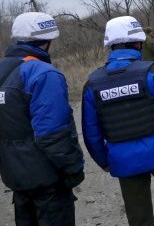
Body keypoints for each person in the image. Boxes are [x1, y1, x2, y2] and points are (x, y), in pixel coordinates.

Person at [81, 16, 154, 226]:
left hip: (124, 160)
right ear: (138, 43)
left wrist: (104, 161)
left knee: (138, 214)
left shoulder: (92, 84)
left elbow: (91, 132)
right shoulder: (152, 72)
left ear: (110, 46)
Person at [0, 12, 84, 226]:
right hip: (49, 183)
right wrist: (73, 167)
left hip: (16, 179)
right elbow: (52, 134)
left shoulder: (4, 70)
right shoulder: (43, 74)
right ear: (47, 42)